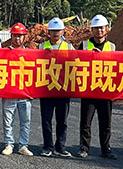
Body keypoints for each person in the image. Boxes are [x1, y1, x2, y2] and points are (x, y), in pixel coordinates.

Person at [77, 14, 117, 159]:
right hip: (89, 90)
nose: (99, 30)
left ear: (106, 29)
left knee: (106, 122)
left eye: (101, 28)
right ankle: (84, 148)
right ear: (92, 30)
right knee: (86, 121)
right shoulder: (84, 45)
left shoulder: (112, 46)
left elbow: (116, 66)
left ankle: (106, 149)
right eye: (96, 28)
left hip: (105, 89)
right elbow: (76, 63)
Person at [39, 17, 72, 157]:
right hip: (46, 89)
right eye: (53, 30)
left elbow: (78, 63)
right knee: (46, 120)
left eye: (58, 30)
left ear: (63, 31)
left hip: (63, 90)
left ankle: (60, 147)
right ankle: (48, 146)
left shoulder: (69, 47)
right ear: (48, 32)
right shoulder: (42, 47)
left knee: (62, 120)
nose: (56, 33)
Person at [0, 23, 33, 156]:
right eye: (15, 36)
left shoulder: (30, 53)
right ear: (11, 36)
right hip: (9, 93)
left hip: (24, 94)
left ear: (24, 37)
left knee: (25, 121)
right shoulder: (4, 53)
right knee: (8, 121)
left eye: (20, 36)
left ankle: (23, 145)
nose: (17, 39)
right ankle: (9, 144)